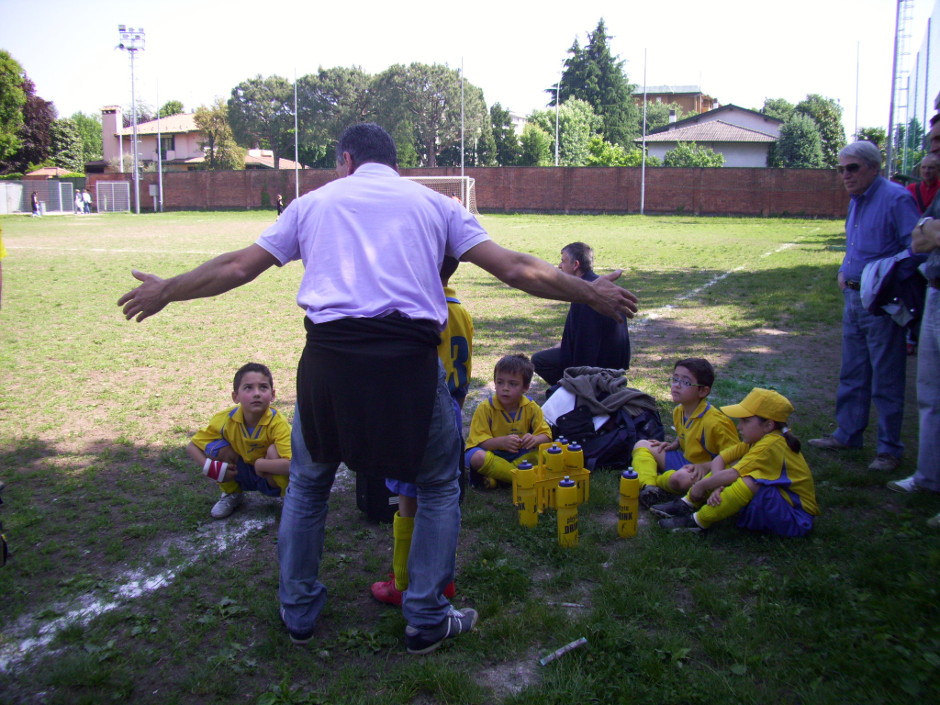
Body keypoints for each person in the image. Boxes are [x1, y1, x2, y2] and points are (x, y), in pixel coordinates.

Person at [116, 123, 638, 655]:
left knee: (307, 487)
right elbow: (516, 267)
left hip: (328, 366)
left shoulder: (311, 203)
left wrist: (168, 290)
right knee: (437, 487)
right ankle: (427, 620)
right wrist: (588, 293)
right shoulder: (434, 205)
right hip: (408, 366)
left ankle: (297, 613)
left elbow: (237, 266)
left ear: (346, 160)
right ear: (395, 163)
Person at [808, 141, 921, 472]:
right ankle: (848, 433)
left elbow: (917, 248)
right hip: (853, 298)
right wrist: (845, 269)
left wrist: (883, 276)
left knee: (887, 375)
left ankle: (889, 449)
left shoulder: (896, 199)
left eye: (852, 168)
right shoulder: (857, 200)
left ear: (874, 167)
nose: (845, 175)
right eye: (841, 169)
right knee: (853, 370)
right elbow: (856, 245)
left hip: (882, 302)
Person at [370, 256, 471, 606]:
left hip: (419, 418)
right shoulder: (460, 311)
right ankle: (444, 580)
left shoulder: (417, 311)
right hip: (452, 413)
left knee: (409, 500)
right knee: (442, 499)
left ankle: (402, 580)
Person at [652, 388, 819, 536]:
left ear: (768, 425)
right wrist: (716, 486)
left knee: (750, 481)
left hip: (795, 517)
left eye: (745, 421)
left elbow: (733, 474)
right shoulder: (759, 439)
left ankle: (698, 521)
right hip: (774, 506)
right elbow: (721, 458)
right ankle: (688, 503)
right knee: (729, 469)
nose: (739, 427)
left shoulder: (772, 444)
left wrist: (701, 486)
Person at [886, 108, 940, 528]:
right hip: (935, 291)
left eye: (937, 146)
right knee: (929, 396)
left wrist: (929, 231)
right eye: (929, 147)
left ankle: (892, 450)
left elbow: (918, 238)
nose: (932, 152)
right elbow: (922, 239)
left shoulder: (897, 197)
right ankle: (928, 477)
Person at [186, 363, 291, 519]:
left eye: (263, 387)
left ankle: (288, 498)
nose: (257, 393)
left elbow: (293, 465)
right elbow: (193, 446)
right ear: (235, 397)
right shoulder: (225, 419)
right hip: (239, 470)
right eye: (248, 388)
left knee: (274, 451)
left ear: (273, 394)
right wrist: (211, 469)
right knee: (217, 448)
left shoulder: (279, 424)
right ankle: (231, 493)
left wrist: (261, 464)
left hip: (268, 474)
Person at [631, 358, 739, 509]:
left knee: (681, 478)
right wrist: (673, 444)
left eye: (686, 382)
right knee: (642, 444)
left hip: (705, 472)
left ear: (703, 391)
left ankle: (658, 482)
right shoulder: (679, 411)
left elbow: (736, 461)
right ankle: (649, 487)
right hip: (685, 461)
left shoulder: (716, 423)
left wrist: (705, 466)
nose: (676, 385)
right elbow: (684, 434)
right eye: (675, 379)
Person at [532, 242, 631, 386]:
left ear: (576, 265)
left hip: (599, 368)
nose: (560, 266)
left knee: (539, 360)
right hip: (617, 364)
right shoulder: (602, 286)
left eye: (563, 261)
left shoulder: (585, 293)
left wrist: (578, 380)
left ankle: (569, 391)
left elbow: (585, 347)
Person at [465, 354, 552, 489]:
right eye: (500, 382)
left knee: (549, 453)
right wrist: (501, 442)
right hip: (492, 454)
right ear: (495, 383)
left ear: (525, 387)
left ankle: (500, 477)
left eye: (513, 384)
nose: (505, 388)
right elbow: (478, 442)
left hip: (519, 454)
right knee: (476, 457)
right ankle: (521, 478)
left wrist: (534, 439)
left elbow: (546, 436)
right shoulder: (485, 408)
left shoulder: (531, 407)